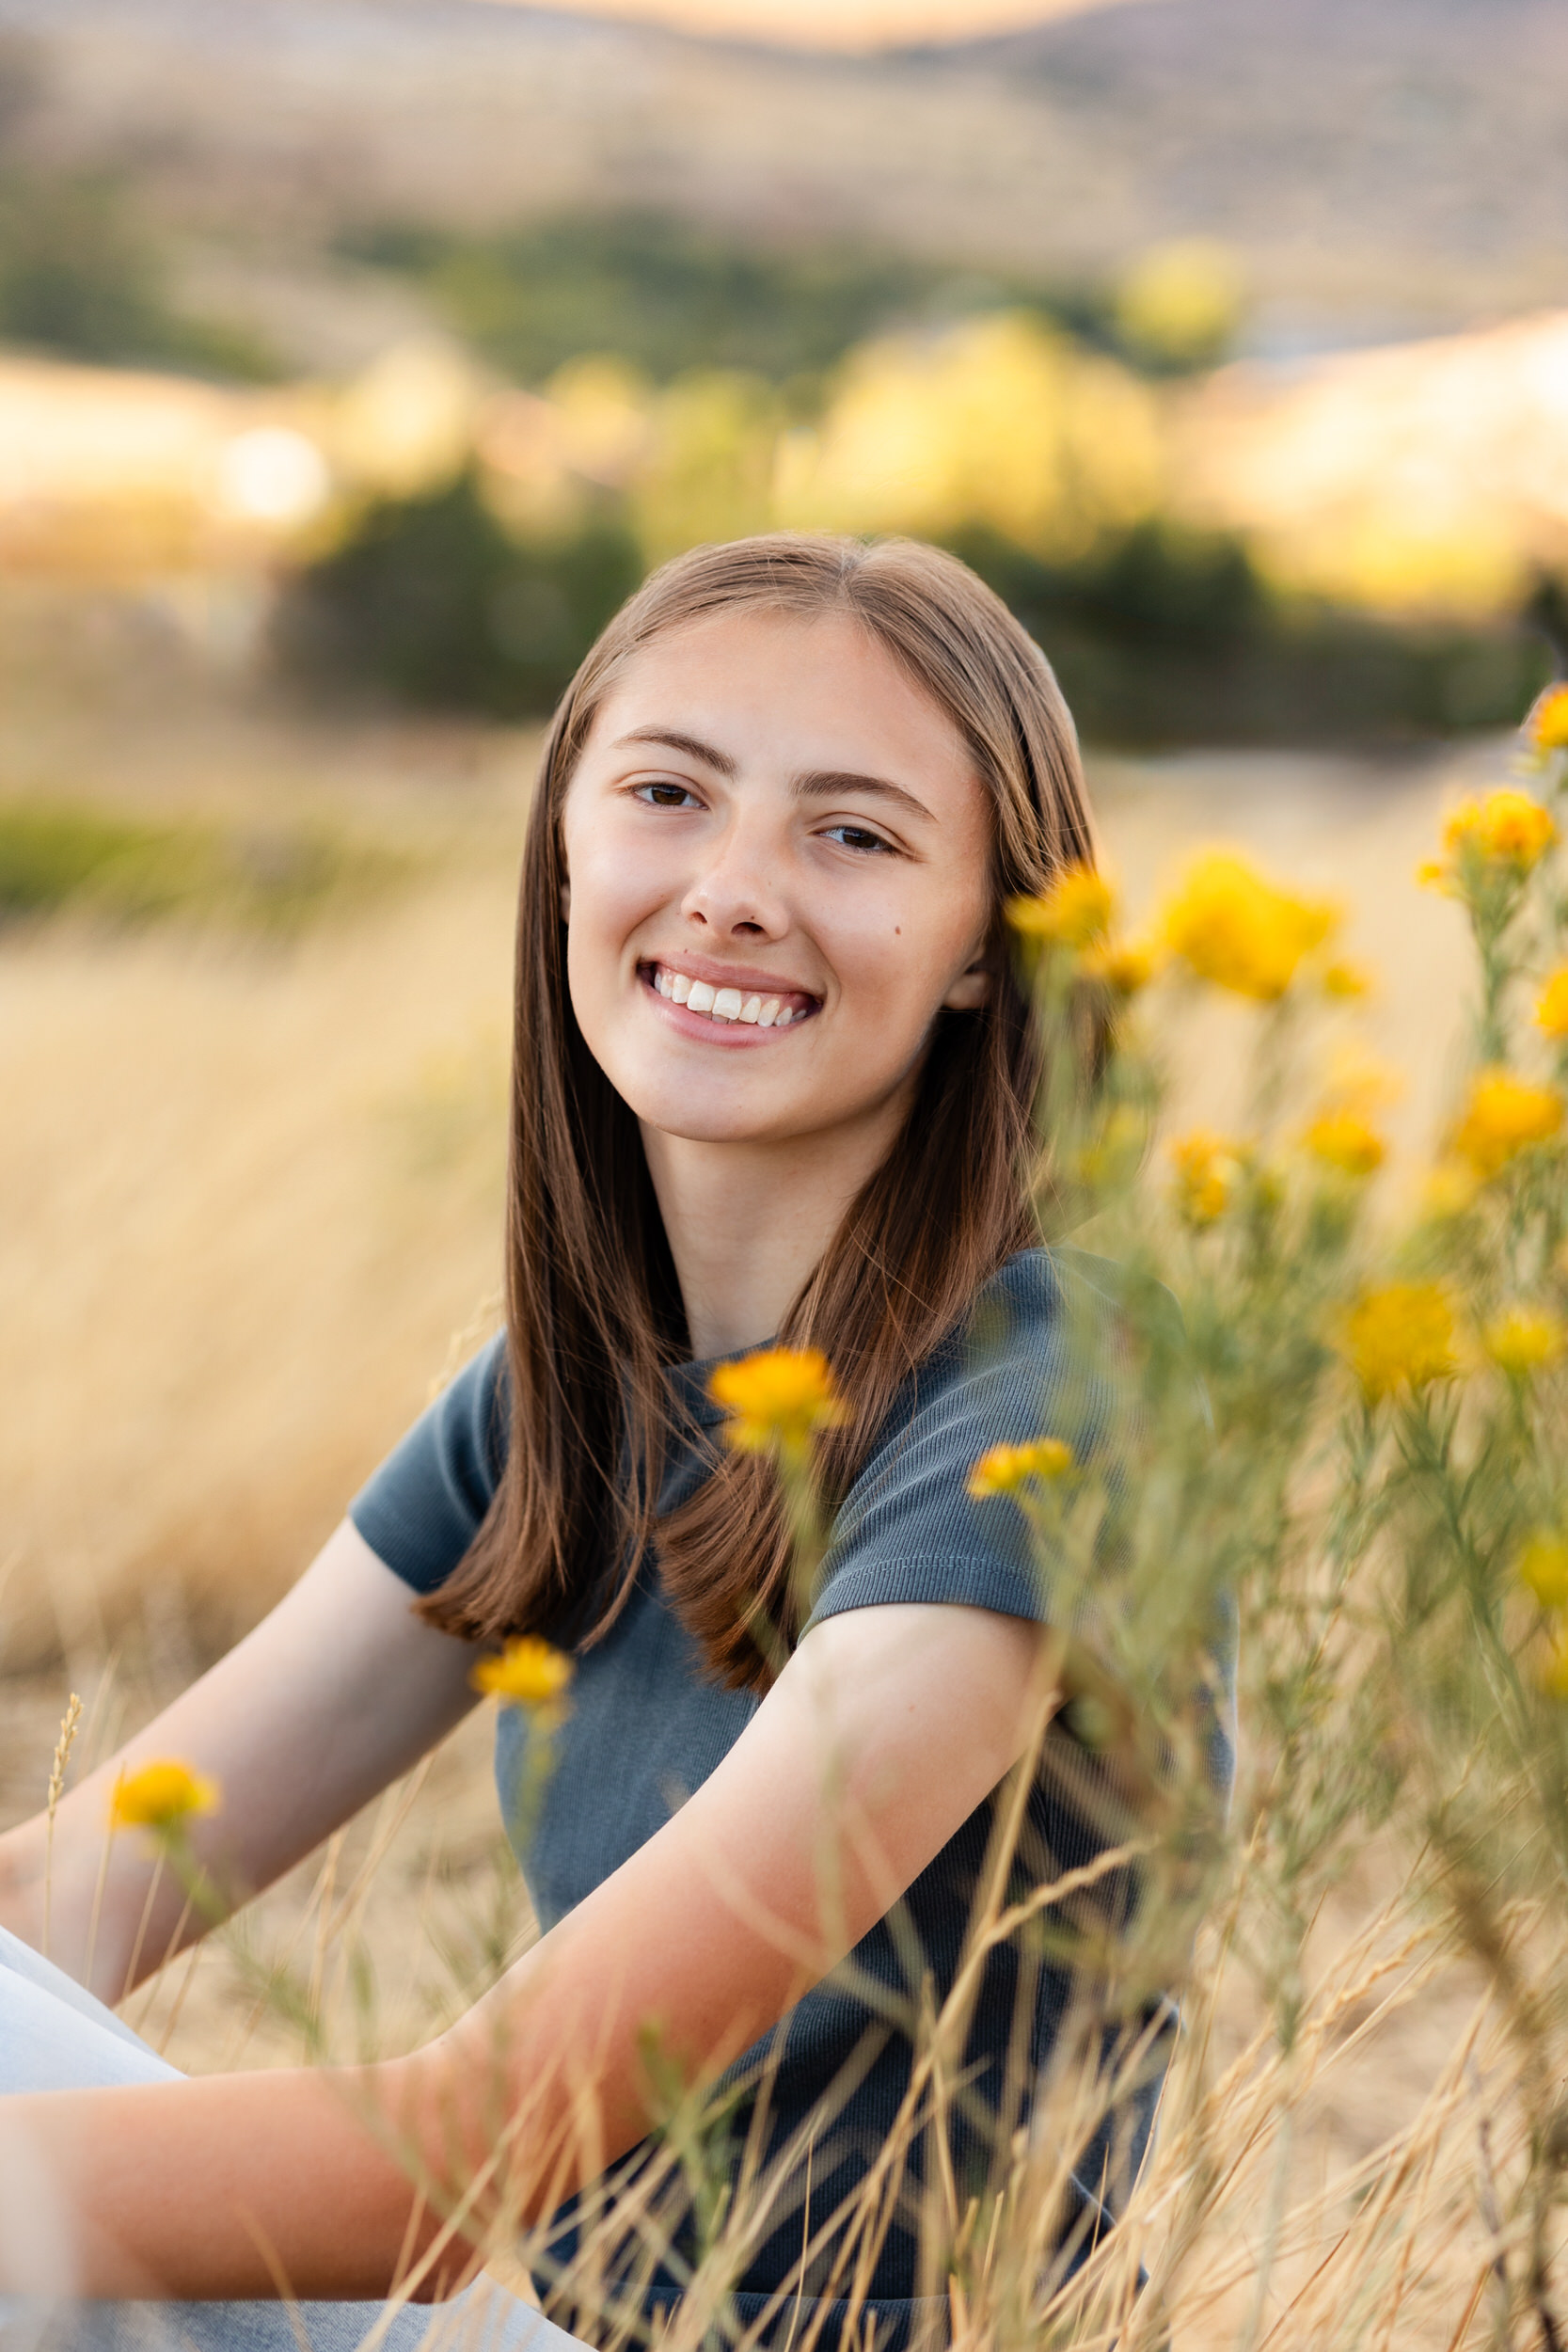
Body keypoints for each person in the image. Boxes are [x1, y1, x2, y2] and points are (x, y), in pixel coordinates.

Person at [0, 533, 1189, 2352]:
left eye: (853, 834)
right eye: (666, 793)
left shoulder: (1044, 1404)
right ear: (566, 843)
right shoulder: (566, 1396)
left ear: (987, 948)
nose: (729, 889)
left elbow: (454, 2170)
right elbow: (61, 1911)